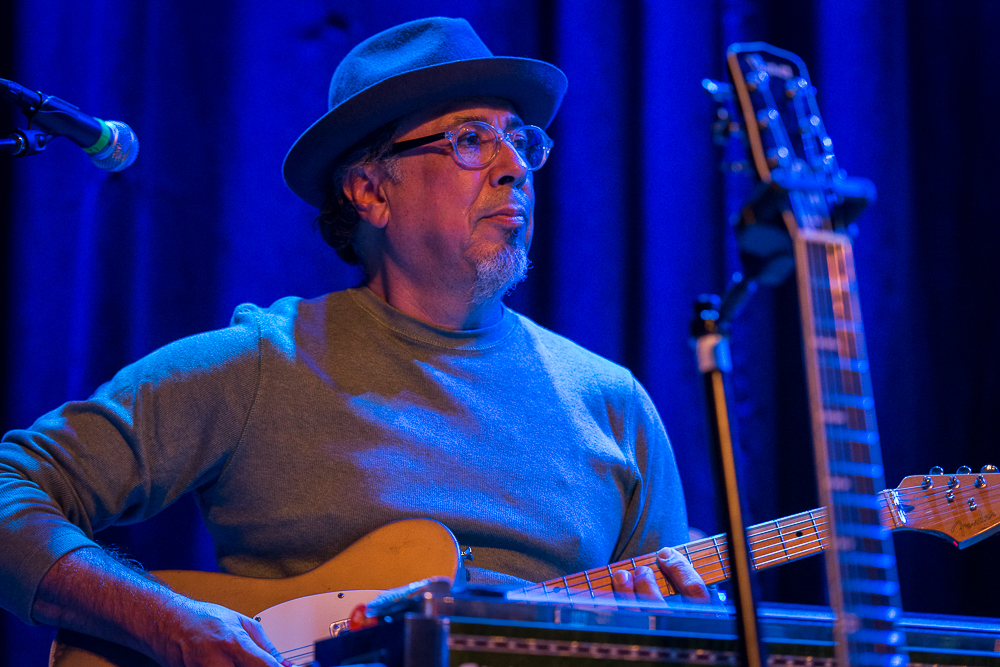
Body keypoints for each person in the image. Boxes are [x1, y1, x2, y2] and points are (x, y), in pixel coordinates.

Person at [0, 16, 708, 667]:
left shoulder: (612, 403)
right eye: (470, 139)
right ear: (370, 191)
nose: (514, 166)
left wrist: (668, 634)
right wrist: (169, 624)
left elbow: (678, 637)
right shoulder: (259, 365)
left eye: (521, 139)